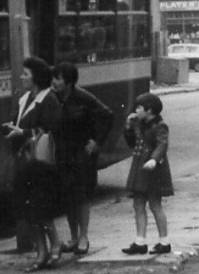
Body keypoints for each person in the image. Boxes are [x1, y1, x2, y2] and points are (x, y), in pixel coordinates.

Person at [3, 56, 63, 272]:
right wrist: (13, 128)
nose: (22, 77)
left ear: (36, 77)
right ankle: (41, 251)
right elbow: (22, 123)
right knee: (27, 209)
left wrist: (25, 132)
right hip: (24, 161)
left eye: (26, 74)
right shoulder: (24, 99)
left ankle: (55, 245)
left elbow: (52, 128)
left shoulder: (49, 100)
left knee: (41, 207)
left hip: (41, 163)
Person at [51, 61, 113, 257]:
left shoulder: (83, 97)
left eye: (58, 78)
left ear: (68, 82)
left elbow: (107, 115)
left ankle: (84, 237)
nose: (54, 82)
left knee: (82, 195)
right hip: (63, 152)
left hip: (82, 153)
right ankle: (73, 237)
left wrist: (97, 142)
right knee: (68, 196)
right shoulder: (54, 98)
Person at [122, 92, 173, 255]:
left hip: (153, 170)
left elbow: (162, 144)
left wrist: (154, 159)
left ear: (149, 110)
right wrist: (128, 127)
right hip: (140, 167)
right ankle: (140, 241)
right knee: (138, 203)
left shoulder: (160, 126)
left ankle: (164, 241)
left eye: (139, 107)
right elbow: (132, 143)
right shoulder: (139, 124)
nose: (136, 110)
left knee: (154, 204)